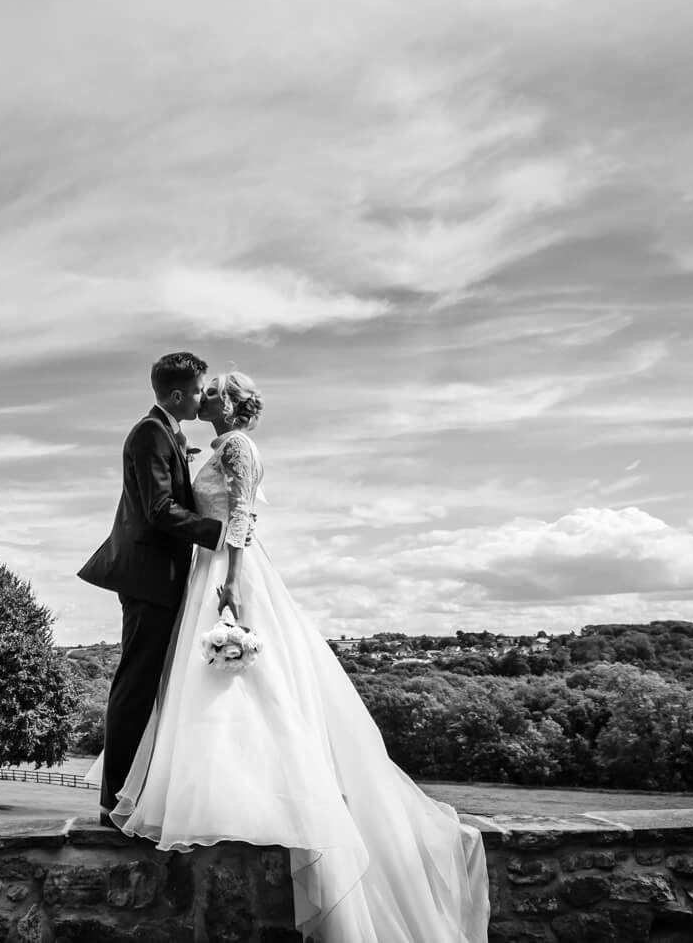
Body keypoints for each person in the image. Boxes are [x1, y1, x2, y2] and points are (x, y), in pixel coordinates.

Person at [105, 371, 490, 943]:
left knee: (247, 684)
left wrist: (232, 580)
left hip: (227, 569)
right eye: (203, 388)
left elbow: (241, 516)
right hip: (207, 564)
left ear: (229, 404)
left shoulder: (237, 446)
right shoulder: (213, 445)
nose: (206, 395)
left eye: (215, 390)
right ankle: (224, 797)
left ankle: (259, 801)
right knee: (212, 686)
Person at [75, 351, 225, 814]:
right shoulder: (149, 434)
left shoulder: (167, 433)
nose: (202, 398)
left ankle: (137, 793)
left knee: (151, 685)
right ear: (177, 395)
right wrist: (219, 531)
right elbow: (158, 509)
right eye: (197, 391)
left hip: (164, 578)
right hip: (149, 578)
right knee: (136, 686)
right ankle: (114, 801)